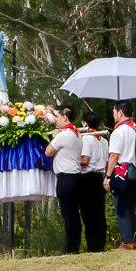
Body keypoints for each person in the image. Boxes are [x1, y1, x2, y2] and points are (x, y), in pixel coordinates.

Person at [45, 106, 88, 253]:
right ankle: (74, 245)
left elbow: (48, 151)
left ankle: (71, 247)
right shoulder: (77, 134)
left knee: (68, 214)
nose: (56, 120)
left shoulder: (64, 135)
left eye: (57, 117)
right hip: (76, 176)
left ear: (65, 117)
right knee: (74, 214)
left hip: (66, 177)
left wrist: (54, 137)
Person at [104, 101, 136, 249]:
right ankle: (134, 240)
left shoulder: (119, 131)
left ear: (120, 112)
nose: (114, 115)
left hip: (123, 171)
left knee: (122, 208)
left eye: (114, 112)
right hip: (135, 170)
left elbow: (114, 156)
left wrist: (108, 176)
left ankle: (127, 241)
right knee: (132, 208)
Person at [80, 110, 110, 251]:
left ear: (85, 123)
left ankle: (92, 245)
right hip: (99, 177)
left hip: (88, 177)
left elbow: (85, 160)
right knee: (99, 212)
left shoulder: (87, 138)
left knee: (88, 213)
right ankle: (100, 243)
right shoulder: (103, 140)